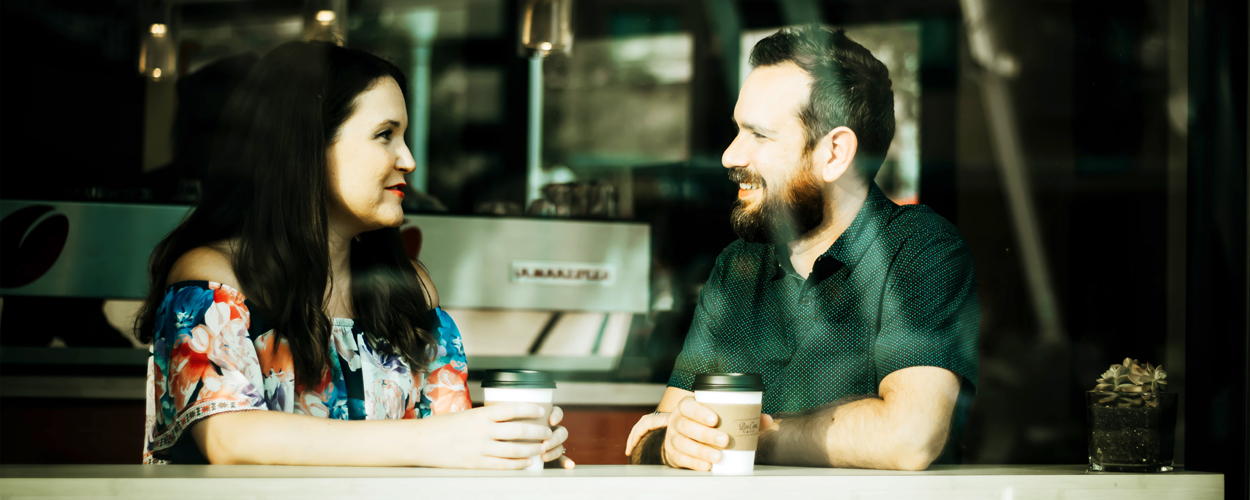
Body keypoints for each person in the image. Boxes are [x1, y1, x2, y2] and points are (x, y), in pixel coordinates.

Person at [137, 41, 573, 469]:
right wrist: (429, 441)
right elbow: (227, 437)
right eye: (385, 135)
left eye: (403, 136)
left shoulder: (408, 293)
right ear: (307, 147)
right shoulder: (214, 281)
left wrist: (510, 446)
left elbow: (452, 443)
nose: (409, 159)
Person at [625, 25, 979, 471]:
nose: (730, 156)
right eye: (737, 130)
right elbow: (658, 430)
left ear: (833, 154)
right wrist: (670, 444)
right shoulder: (739, 266)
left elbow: (909, 439)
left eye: (759, 135)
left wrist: (749, 437)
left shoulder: (919, 250)